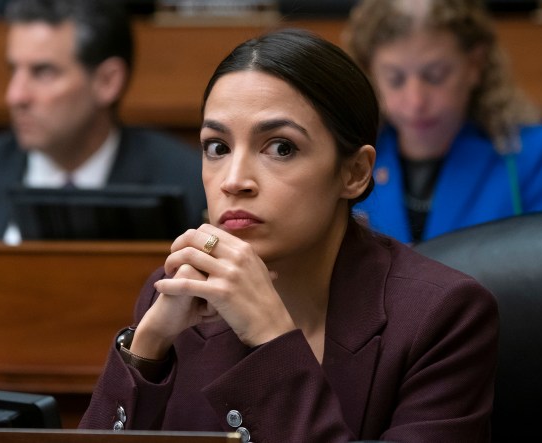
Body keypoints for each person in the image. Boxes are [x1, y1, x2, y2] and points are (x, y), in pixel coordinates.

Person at [80, 29, 498, 442]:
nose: (234, 180)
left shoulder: (441, 317)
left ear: (354, 173)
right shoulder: (173, 293)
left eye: (281, 147)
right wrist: (146, 349)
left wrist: (272, 340)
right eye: (217, 147)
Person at [0, 0, 206, 242]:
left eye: (43, 72)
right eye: (14, 71)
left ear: (107, 81)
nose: (16, 96)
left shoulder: (190, 185)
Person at [343, 0, 542, 244]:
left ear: (475, 65)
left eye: (435, 76)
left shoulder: (533, 154)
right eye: (395, 79)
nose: (415, 102)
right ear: (370, 73)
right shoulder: (349, 154)